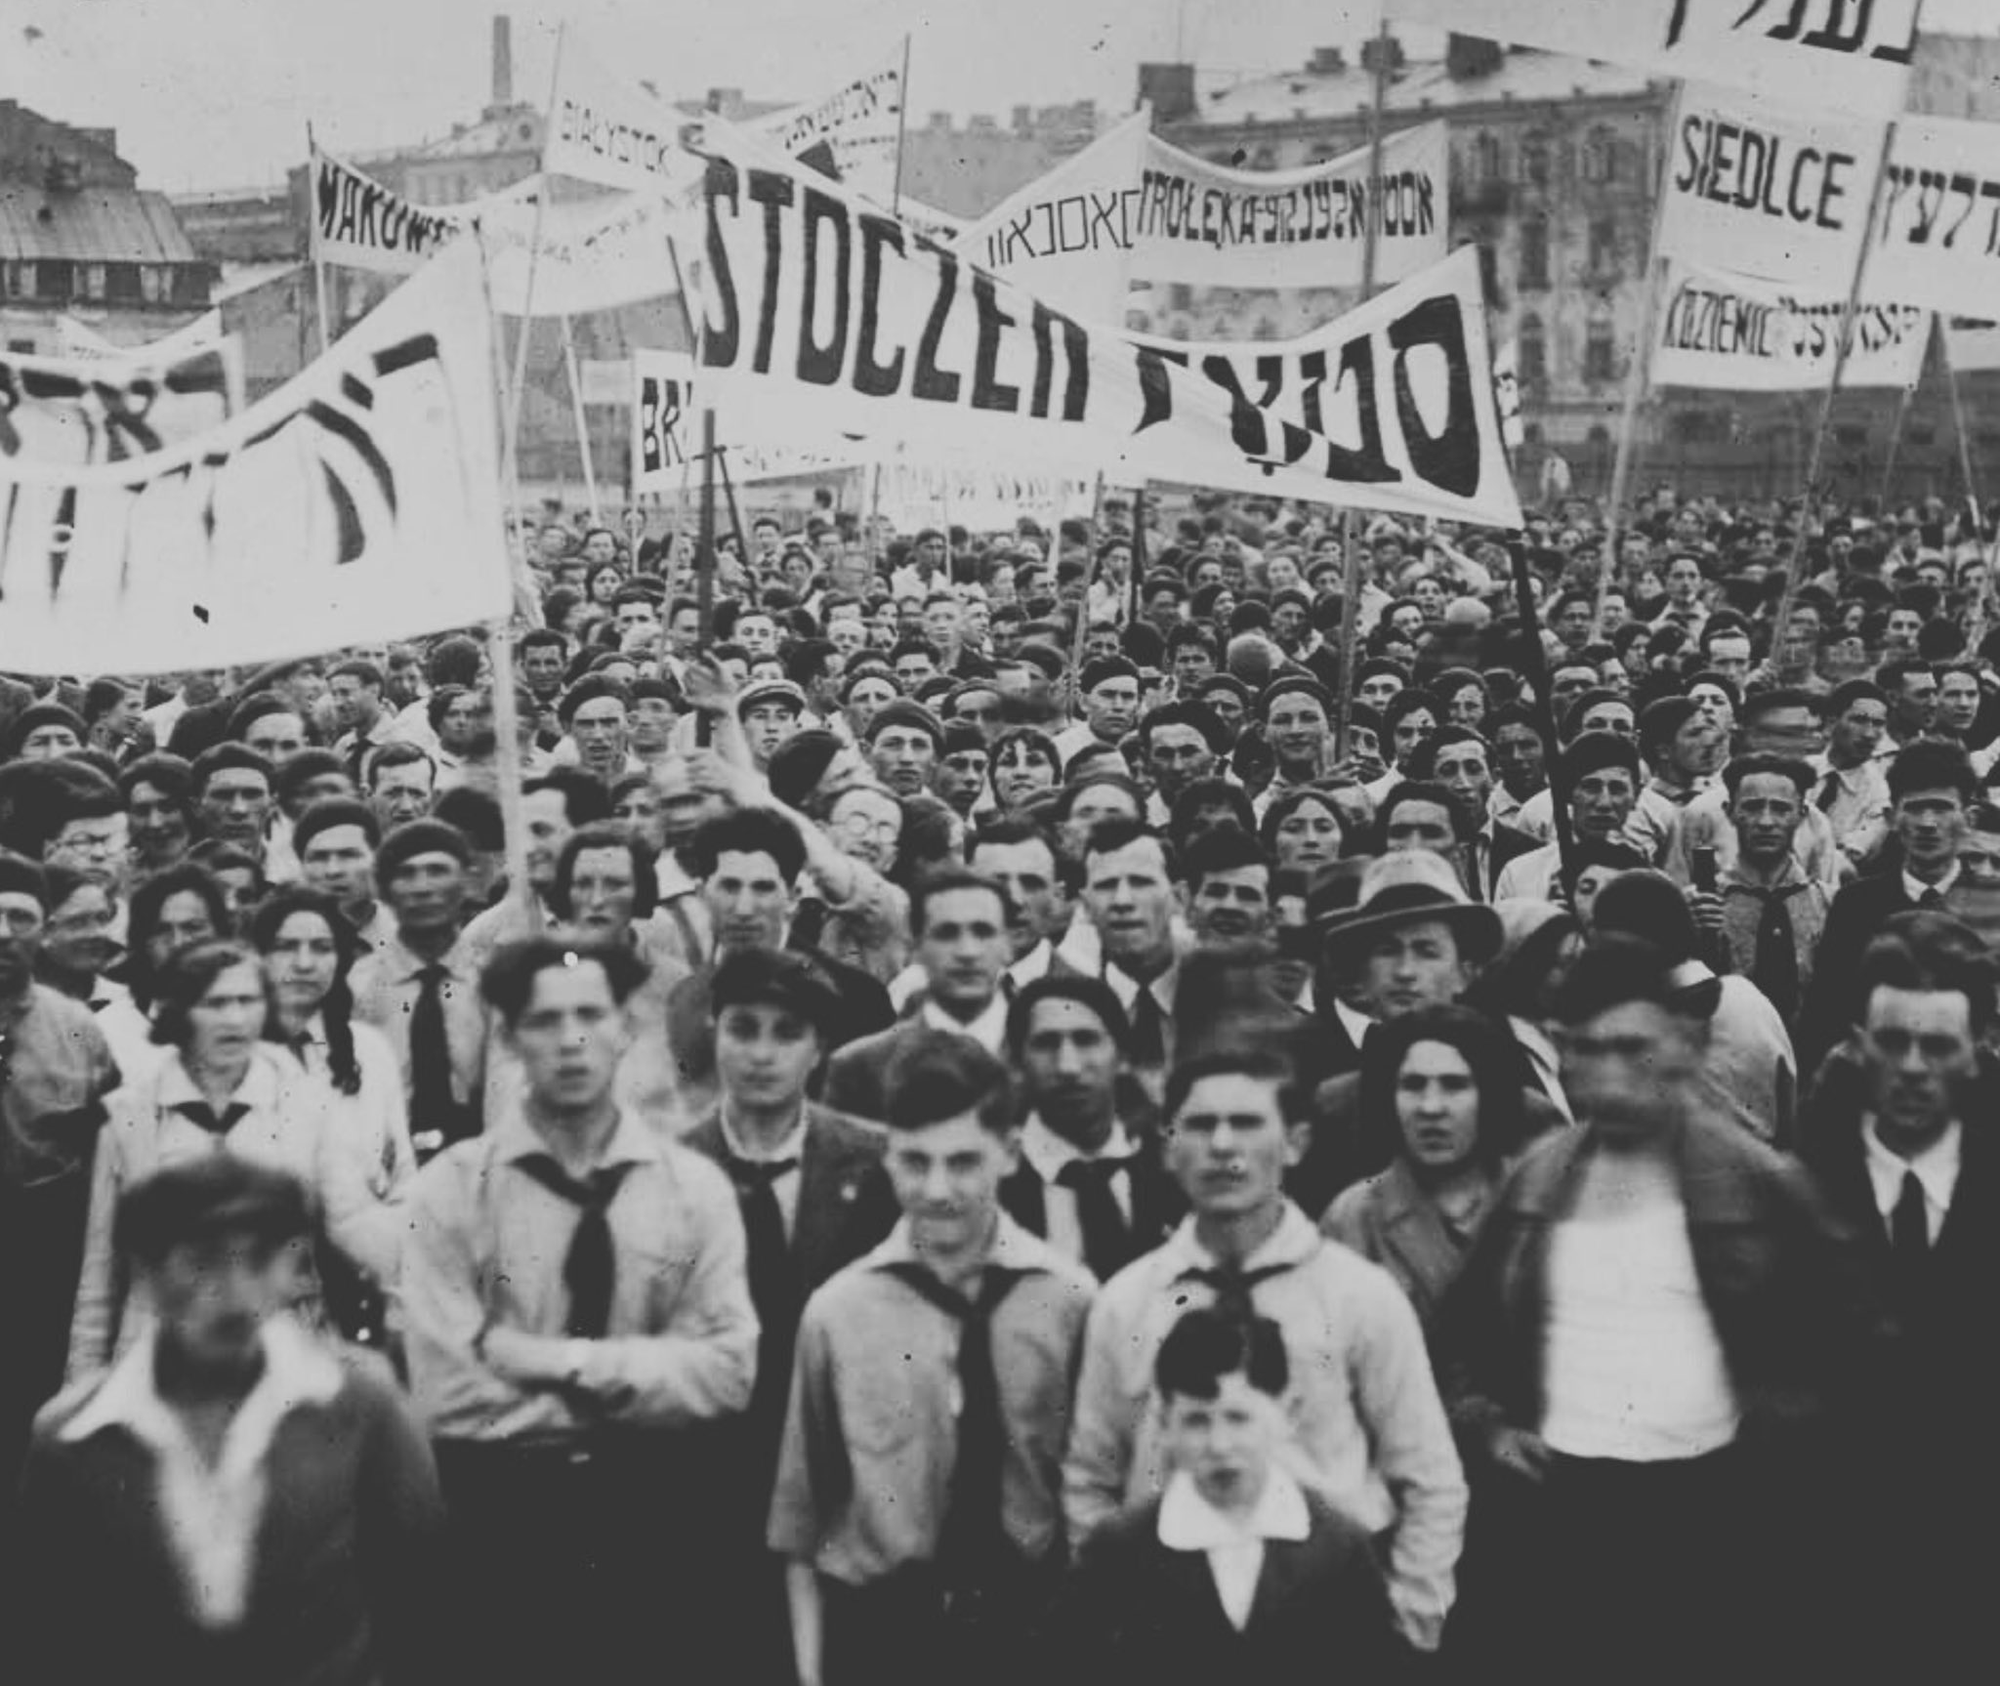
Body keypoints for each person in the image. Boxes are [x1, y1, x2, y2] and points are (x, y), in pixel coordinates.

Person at [1434, 937, 1872, 1681]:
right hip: (1562, 1516)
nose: (1608, 1075)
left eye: (1632, 1047)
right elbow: (1458, 1334)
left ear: (1687, 1047)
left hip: (1709, 1521)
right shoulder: (1538, 1182)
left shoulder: (1761, 1184)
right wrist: (1489, 1425)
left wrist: (1771, 1456)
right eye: (1587, 1050)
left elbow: (1847, 1347)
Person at [402, 938, 757, 1686]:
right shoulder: (451, 1193)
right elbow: (449, 1395)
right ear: (507, 1036)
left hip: (660, 1522)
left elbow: (729, 1370)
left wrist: (555, 1362)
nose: (571, 1041)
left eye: (591, 1015)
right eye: (543, 1020)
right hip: (503, 1526)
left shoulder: (693, 1189)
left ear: (626, 1027)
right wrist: (643, 1384)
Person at [1063, 1046, 1466, 1656]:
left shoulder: (1359, 1294)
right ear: (1170, 1146)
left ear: (1296, 1142)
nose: (1224, 1147)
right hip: (1170, 1620)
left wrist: (1408, 1624)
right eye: (1200, 1125)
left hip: (1323, 1613)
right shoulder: (1126, 1301)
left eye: (1248, 1123)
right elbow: (1090, 1477)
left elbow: (1430, 1478)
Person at [11, 1157, 445, 1684]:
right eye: (202, 1263)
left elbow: (421, 1604)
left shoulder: (360, 1406)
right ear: (146, 1273)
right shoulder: (74, 1438)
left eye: (261, 1261)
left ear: (293, 1267)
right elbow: (45, 1639)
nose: (236, 1295)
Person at [769, 1031, 1097, 1686]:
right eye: (915, 1162)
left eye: (963, 1161)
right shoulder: (839, 1313)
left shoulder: (1069, 1302)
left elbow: (1094, 1502)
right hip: (886, 1636)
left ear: (1008, 1154)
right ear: (888, 1159)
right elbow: (802, 1529)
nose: (938, 1189)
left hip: (1030, 1633)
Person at [681, 947, 899, 1685]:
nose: (762, 1054)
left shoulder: (874, 1165)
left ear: (820, 1049)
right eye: (743, 1029)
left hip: (842, 1471)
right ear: (713, 1034)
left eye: (787, 1033)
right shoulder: (670, 1171)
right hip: (713, 1477)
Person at [1794, 916, 1999, 1677]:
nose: (1913, 1068)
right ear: (1856, 1042)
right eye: (1893, 1042)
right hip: (1829, 1595)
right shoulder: (1794, 1202)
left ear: (1980, 1051)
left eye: (1939, 1046)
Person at [67, 939, 405, 1379]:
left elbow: (355, 1228)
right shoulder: (130, 1115)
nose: (235, 1019)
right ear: (180, 1012)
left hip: (280, 1350)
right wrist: (82, 1383)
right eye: (215, 1003)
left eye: (248, 1001)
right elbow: (101, 1271)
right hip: (160, 1349)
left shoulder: (309, 1104)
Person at [1048, 1308, 1402, 1686]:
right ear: (1165, 1423)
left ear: (1289, 1412)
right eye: (1196, 1421)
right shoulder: (1121, 1549)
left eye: (1238, 1418)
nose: (1219, 1445)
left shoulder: (1339, 1548)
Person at [1321, 1005, 1537, 1328]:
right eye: (1413, 1085)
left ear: (1489, 1095)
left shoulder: (1535, 1200)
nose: (1430, 1107)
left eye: (1454, 1085)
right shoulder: (1354, 1216)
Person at [1798, 740, 1979, 1077]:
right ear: (1892, 817)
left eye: (1941, 808)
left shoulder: (1990, 901)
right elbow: (1825, 1015)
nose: (1927, 823)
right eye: (1914, 808)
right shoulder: (1855, 905)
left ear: (1968, 818)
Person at [1001, 975, 1183, 1280]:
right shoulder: (995, 1176)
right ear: (1018, 1063)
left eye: (1086, 1040)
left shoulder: (1171, 1169)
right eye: (1046, 1044)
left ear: (1123, 1056)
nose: (1068, 1066)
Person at [823, 868, 1015, 1118]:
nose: (967, 952)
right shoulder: (859, 1069)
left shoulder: (1049, 1050)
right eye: (947, 933)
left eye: (983, 932)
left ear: (1008, 944)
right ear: (915, 947)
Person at [348, 820, 488, 1161]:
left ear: (466, 881)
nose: (422, 888)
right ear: (384, 890)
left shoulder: (495, 983)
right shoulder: (357, 987)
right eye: (406, 874)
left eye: (437, 871)